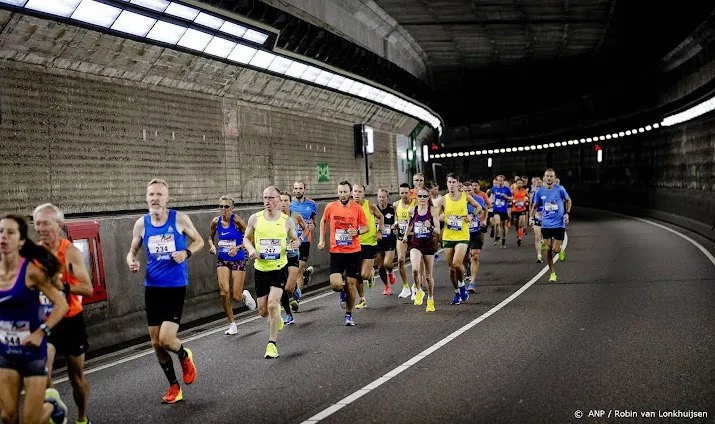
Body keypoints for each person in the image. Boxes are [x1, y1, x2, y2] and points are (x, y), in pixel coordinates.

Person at [126, 179, 203, 404]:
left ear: (167, 198)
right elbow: (132, 250)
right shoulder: (141, 224)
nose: (155, 198)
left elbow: (198, 240)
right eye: (151, 194)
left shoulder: (178, 218)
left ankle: (183, 354)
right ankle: (174, 387)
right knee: (155, 343)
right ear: (146, 197)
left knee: (167, 339)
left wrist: (186, 252)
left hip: (174, 287)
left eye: (159, 195)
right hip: (152, 288)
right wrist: (132, 261)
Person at [0, 214, 69, 424]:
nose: (3, 236)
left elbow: (61, 305)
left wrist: (42, 332)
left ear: (21, 240)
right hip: (5, 352)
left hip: (32, 354)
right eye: (0, 231)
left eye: (10, 232)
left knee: (32, 421)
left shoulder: (31, 271)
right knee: (7, 416)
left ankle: (53, 406)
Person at [33, 204, 94, 424]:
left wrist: (63, 287)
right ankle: (56, 410)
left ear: (59, 225)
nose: (40, 228)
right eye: (37, 223)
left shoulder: (70, 252)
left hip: (71, 321)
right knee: (41, 373)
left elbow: (88, 288)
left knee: (76, 379)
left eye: (45, 223)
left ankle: (82, 417)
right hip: (45, 321)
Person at [243, 187, 301, 358]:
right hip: (261, 269)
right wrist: (251, 248)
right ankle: (277, 318)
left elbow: (295, 239)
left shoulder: (286, 220)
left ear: (278, 199)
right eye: (265, 198)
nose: (267, 201)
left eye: (271, 198)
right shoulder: (255, 218)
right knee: (263, 311)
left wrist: (295, 244)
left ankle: (272, 345)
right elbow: (246, 238)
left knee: (272, 305)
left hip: (279, 269)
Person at [318, 181, 368, 326]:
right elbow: (323, 221)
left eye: (345, 192)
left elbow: (366, 227)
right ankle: (342, 291)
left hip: (353, 252)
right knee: (336, 285)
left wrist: (357, 231)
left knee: (351, 285)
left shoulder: (357, 208)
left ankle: (348, 314)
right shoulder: (331, 207)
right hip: (336, 252)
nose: (342, 195)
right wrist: (322, 240)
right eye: (340, 192)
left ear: (350, 193)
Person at [208, 196, 256, 336]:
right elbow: (210, 237)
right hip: (222, 260)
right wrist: (212, 246)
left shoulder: (237, 221)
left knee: (235, 296)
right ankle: (232, 324)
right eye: (221, 206)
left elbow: (251, 237)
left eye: (226, 206)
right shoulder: (215, 222)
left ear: (232, 208)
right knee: (223, 293)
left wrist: (238, 247)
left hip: (238, 260)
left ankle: (244, 296)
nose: (223, 209)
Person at [435, 173, 484, 305]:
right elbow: (436, 215)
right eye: (449, 182)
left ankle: (462, 285)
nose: (451, 185)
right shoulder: (443, 199)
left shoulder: (465, 196)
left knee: (457, 263)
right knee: (451, 268)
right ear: (447, 183)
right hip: (448, 236)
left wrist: (471, 215)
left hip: (462, 235)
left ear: (458, 183)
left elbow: (478, 207)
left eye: (453, 182)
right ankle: (457, 291)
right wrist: (439, 218)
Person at [402, 188, 440, 311]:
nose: (422, 199)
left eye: (425, 196)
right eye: (420, 196)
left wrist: (430, 227)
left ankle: (430, 299)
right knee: (415, 270)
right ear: (416, 197)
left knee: (428, 276)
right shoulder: (413, 210)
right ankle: (418, 291)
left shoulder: (433, 211)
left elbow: (438, 231)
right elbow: (410, 224)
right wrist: (405, 236)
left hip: (429, 245)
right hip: (416, 244)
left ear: (428, 197)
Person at [531, 169, 572, 282]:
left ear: (554, 178)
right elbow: (535, 205)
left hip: (559, 224)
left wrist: (567, 214)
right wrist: (531, 217)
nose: (549, 178)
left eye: (551, 176)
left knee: (555, 248)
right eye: (547, 176)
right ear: (544, 177)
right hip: (546, 224)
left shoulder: (560, 189)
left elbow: (568, 200)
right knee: (548, 249)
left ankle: (560, 250)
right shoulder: (540, 192)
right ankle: (552, 274)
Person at [279, 191, 309, 325]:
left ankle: (295, 287)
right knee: (280, 286)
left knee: (288, 288)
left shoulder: (295, 216)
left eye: (286, 201)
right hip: (278, 256)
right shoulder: (274, 217)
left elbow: (306, 229)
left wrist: (300, 239)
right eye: (281, 200)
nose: (283, 203)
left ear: (290, 203)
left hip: (292, 255)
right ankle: (288, 314)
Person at [352, 183, 384, 309]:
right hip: (355, 243)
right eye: (355, 191)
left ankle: (370, 273)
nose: (357, 194)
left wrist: (379, 231)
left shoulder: (369, 205)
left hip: (369, 243)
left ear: (363, 194)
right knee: (356, 273)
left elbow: (380, 216)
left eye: (360, 192)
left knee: (364, 275)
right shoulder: (349, 207)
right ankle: (362, 299)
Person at [289, 181, 317, 311]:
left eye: (300, 188)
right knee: (293, 271)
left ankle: (296, 300)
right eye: (295, 188)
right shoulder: (289, 205)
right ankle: (305, 274)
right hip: (291, 242)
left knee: (298, 269)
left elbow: (313, 222)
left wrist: (313, 225)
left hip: (304, 240)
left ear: (305, 190)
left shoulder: (311, 204)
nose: (298, 191)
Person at [393, 183, 416, 299]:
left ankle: (416, 286)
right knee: (401, 260)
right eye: (402, 193)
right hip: (402, 235)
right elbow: (396, 218)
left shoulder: (415, 203)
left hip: (414, 235)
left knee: (415, 262)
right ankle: (406, 287)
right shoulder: (396, 204)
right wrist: (395, 224)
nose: (404, 195)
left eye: (406, 193)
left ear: (410, 193)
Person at [491, 175, 513, 248]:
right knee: (497, 223)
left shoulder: (507, 189)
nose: (500, 182)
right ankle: (497, 236)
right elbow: (491, 196)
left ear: (503, 181)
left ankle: (503, 239)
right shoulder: (494, 189)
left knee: (503, 226)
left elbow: (512, 198)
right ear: (497, 181)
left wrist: (506, 197)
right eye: (499, 180)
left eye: (501, 180)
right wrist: (491, 202)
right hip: (496, 209)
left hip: (503, 210)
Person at [529, 177, 545, 262]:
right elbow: (532, 206)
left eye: (540, 186)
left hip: (546, 219)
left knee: (546, 237)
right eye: (537, 186)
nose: (538, 188)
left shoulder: (547, 194)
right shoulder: (533, 195)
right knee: (537, 236)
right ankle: (539, 256)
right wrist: (530, 217)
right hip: (537, 217)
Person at [511, 179, 529, 246]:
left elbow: (528, 197)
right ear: (516, 184)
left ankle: (520, 238)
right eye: (518, 183)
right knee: (516, 223)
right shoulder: (513, 191)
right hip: (515, 209)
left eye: (521, 183)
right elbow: (510, 198)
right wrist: (513, 200)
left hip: (522, 209)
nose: (520, 184)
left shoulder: (524, 191)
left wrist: (526, 199)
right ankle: (518, 232)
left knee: (521, 223)